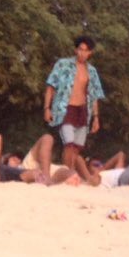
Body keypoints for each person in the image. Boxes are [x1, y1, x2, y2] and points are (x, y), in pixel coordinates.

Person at [44, 36, 105, 171]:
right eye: (80, 49)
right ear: (75, 50)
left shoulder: (92, 71)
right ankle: (67, 174)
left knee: (77, 147)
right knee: (69, 143)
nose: (82, 53)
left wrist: (96, 118)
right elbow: (51, 86)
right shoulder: (63, 64)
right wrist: (47, 108)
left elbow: (94, 96)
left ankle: (69, 171)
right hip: (65, 108)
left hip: (83, 111)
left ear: (90, 53)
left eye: (85, 51)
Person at [0, 132, 79, 185]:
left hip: (45, 170)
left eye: (19, 158)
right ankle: (47, 179)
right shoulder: (1, 168)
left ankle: (47, 178)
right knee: (47, 138)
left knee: (73, 175)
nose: (17, 159)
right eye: (13, 158)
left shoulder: (23, 165)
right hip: (32, 172)